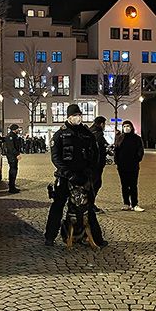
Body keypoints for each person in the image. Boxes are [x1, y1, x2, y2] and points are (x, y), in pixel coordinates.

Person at [44, 104, 107, 248]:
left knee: (88, 207)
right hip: (65, 177)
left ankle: (97, 238)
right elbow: (56, 158)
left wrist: (89, 172)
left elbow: (94, 154)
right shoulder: (60, 134)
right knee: (58, 205)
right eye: (75, 115)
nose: (78, 117)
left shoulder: (86, 133)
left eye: (79, 115)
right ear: (68, 117)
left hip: (83, 176)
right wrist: (68, 174)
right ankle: (50, 237)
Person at [115, 120, 145, 211]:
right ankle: (126, 203)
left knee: (133, 185)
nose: (126, 128)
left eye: (128, 126)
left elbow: (140, 150)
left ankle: (135, 204)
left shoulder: (136, 138)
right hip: (122, 166)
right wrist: (117, 161)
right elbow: (116, 150)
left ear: (131, 127)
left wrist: (137, 159)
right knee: (124, 185)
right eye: (124, 126)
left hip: (133, 166)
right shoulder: (120, 138)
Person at [89, 116, 108, 213]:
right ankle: (90, 205)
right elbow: (101, 148)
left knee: (93, 183)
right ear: (101, 124)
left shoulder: (90, 131)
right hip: (97, 164)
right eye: (104, 124)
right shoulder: (98, 134)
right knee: (96, 183)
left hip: (91, 164)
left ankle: (89, 204)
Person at [3, 124, 22, 194]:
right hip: (12, 157)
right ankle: (11, 188)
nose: (18, 130)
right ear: (14, 129)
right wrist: (17, 154)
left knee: (14, 170)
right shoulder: (10, 136)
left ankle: (13, 186)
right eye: (17, 129)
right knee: (13, 171)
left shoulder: (13, 136)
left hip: (12, 156)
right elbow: (11, 147)